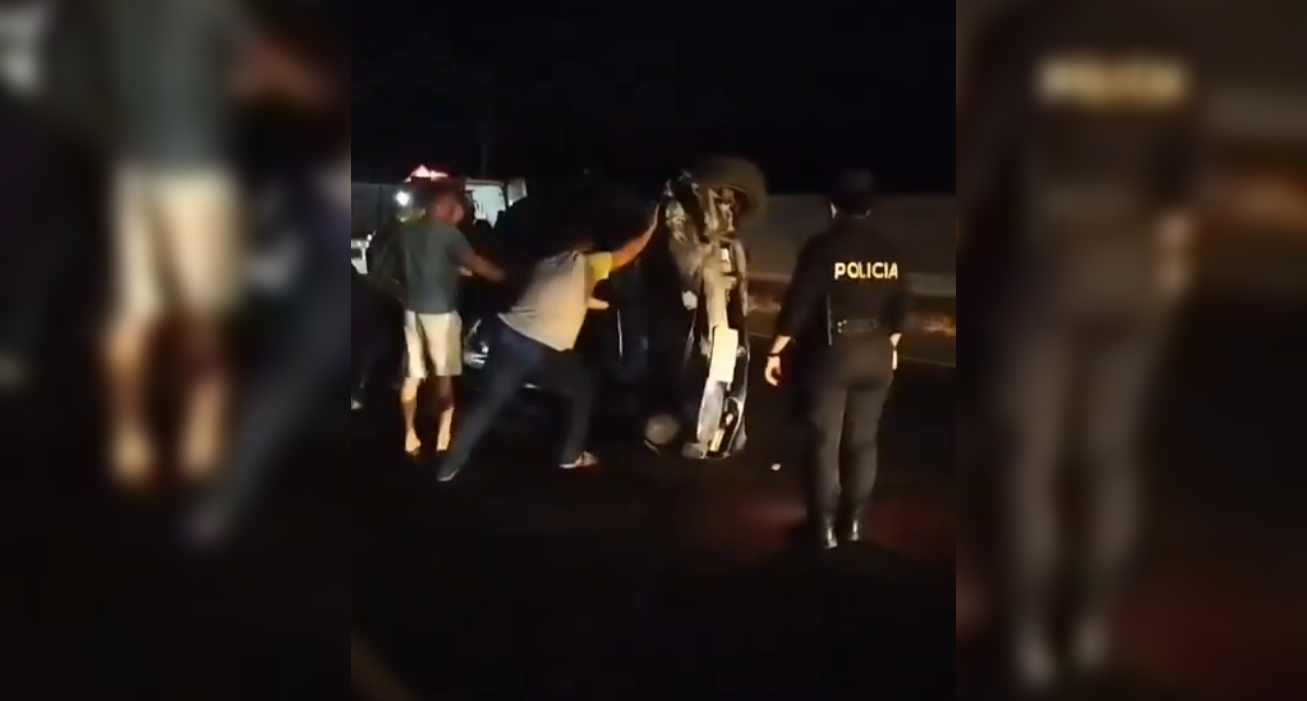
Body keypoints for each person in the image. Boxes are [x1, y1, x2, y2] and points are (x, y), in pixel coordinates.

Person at [960, 0, 1200, 689]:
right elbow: (1184, 167)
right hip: (1135, 258)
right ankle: (1087, 625)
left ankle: (1028, 635)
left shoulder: (1028, 37)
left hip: (1042, 256)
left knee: (1023, 453)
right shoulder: (1161, 45)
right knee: (1110, 451)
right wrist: (1165, 263)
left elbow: (979, 160)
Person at [100, 0, 328, 489]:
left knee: (135, 311)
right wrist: (304, 87)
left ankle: (128, 435)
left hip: (137, 174)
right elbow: (279, 74)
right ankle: (198, 445)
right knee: (205, 316)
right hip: (195, 179)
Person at [434, 201, 659, 482]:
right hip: (539, 347)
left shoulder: (545, 264)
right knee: (582, 386)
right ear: (585, 245)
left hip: (507, 334)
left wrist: (598, 305)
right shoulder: (589, 264)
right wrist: (652, 228)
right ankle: (570, 455)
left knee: (487, 403)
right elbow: (629, 252)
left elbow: (559, 298)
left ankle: (448, 468)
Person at [763, 171, 910, 550]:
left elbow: (799, 305)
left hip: (831, 354)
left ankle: (823, 529)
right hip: (876, 351)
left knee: (823, 440)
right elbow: (903, 309)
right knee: (863, 441)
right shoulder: (888, 249)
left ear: (832, 205)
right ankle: (855, 524)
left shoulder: (824, 247)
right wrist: (890, 345)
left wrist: (777, 349)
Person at [398, 179, 504, 458]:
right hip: (441, 314)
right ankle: (444, 439)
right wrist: (511, 278)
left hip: (411, 310)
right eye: (459, 211)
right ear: (444, 205)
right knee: (444, 377)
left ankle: (410, 436)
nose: (461, 218)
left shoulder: (408, 231)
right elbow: (479, 266)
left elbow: (419, 266)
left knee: (413, 375)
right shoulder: (449, 235)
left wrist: (451, 271)